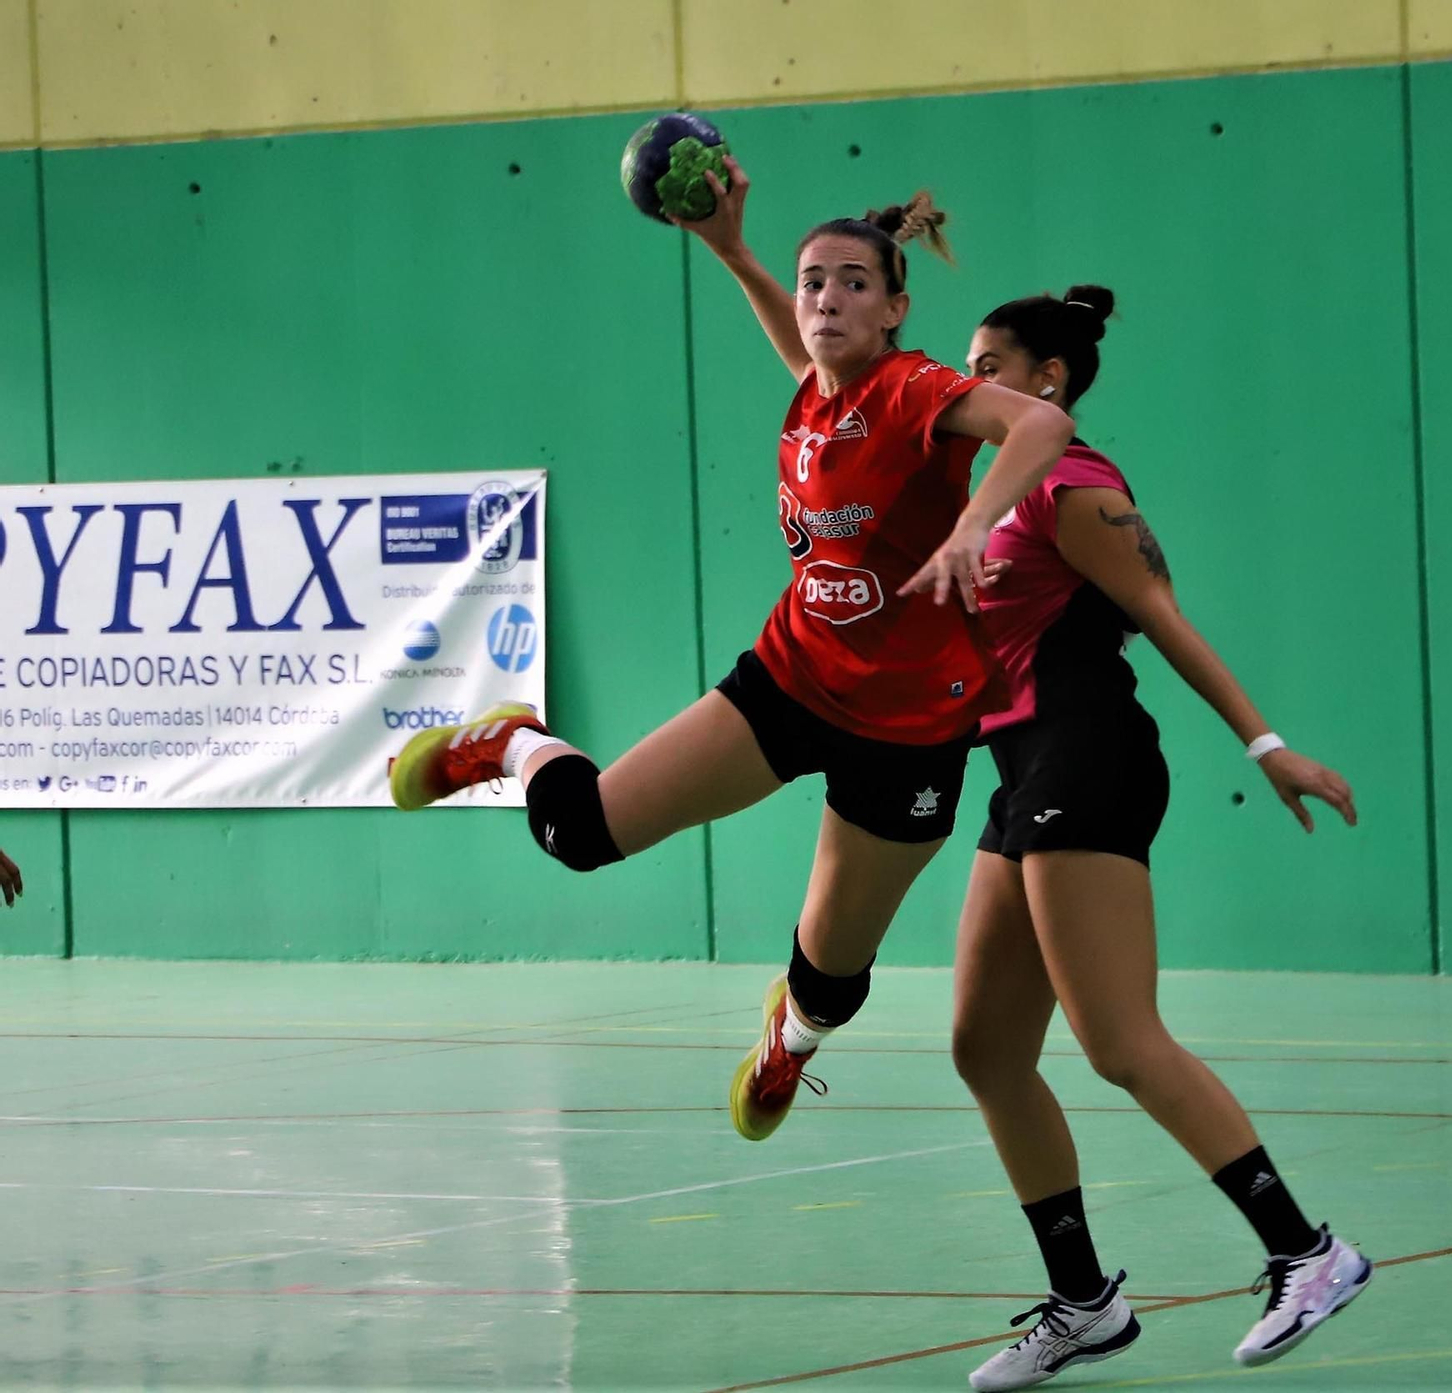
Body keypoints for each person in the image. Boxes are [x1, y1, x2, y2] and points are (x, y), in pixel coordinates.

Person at [388, 158, 1074, 1144]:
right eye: (811, 283)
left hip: (911, 731)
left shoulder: (916, 389)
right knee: (577, 834)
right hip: (792, 678)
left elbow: (1039, 422)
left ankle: (788, 1043)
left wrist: (971, 525)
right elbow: (802, 353)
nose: (825, 298)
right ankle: (509, 743)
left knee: (830, 982)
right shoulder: (813, 400)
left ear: (894, 308)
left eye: (851, 283)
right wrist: (729, 250)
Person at [948, 287, 1370, 1390]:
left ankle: (1306, 1251)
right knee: (984, 1049)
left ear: (1048, 381)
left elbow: (1166, 617)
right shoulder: (981, 494)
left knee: (1119, 1040)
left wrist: (1265, 744)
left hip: (1085, 750)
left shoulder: (1073, 484)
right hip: (1018, 771)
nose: (965, 381)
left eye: (988, 363)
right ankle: (1084, 1303)